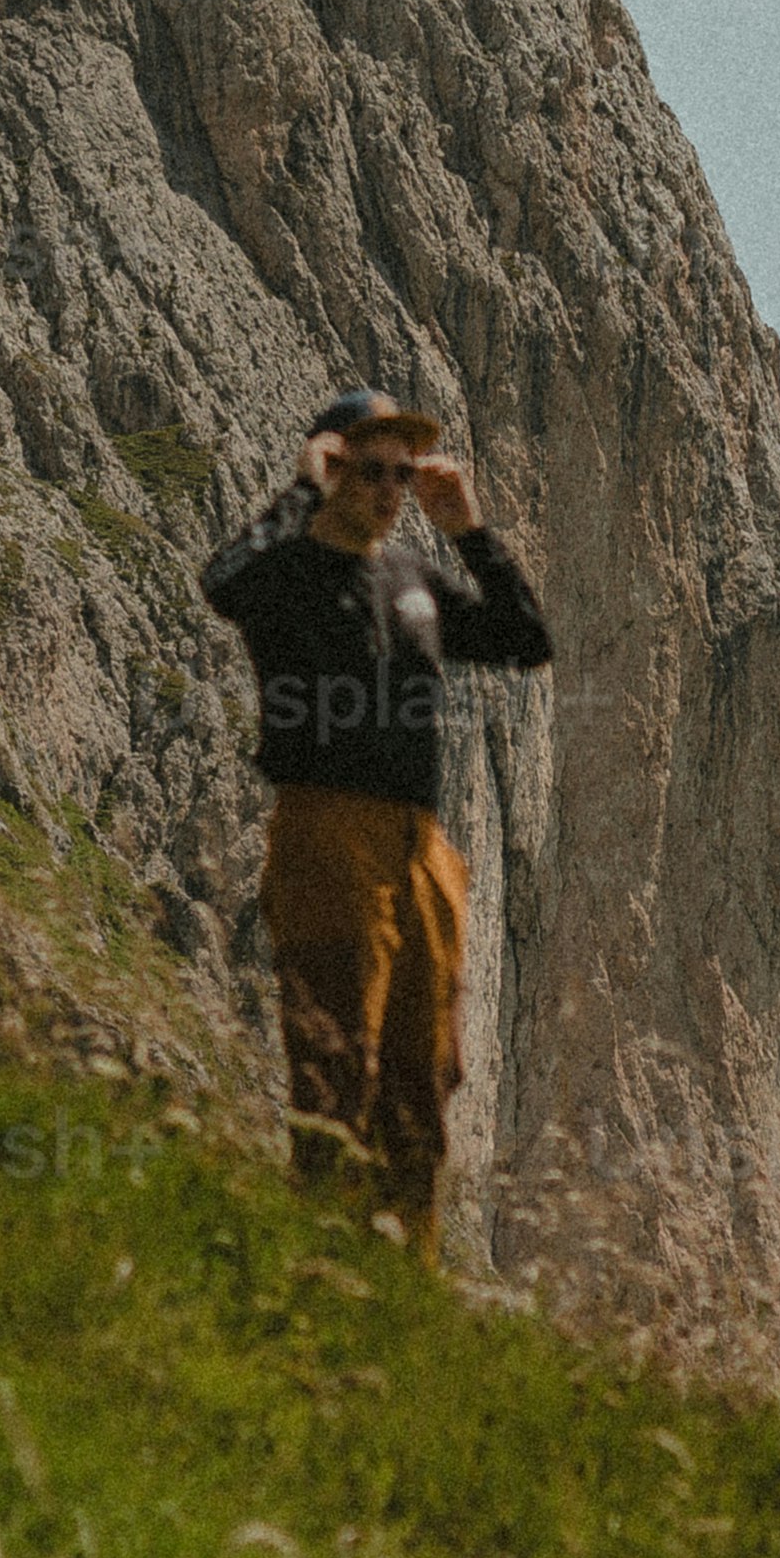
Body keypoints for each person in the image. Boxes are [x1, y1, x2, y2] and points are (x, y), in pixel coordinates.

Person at [198, 389, 553, 1261]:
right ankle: (318, 1266)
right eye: (371, 470)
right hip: (327, 834)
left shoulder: (413, 580)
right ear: (332, 464)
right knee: (337, 1063)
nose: (390, 489)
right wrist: (298, 497)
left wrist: (468, 530)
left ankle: (403, 1285)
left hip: (418, 846)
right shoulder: (286, 575)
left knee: (423, 1074)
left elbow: (525, 637)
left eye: (402, 473)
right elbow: (220, 581)